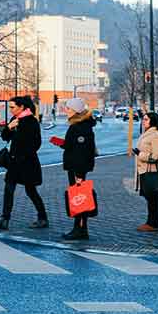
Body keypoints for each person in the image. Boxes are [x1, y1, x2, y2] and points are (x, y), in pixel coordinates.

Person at [0, 95, 48, 230]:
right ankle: (4, 219)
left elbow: (36, 144)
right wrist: (9, 127)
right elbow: (5, 138)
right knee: (9, 189)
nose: (10, 110)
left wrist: (21, 153)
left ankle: (43, 217)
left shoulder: (31, 121)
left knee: (31, 191)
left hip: (27, 163)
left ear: (21, 107)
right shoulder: (14, 120)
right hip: (14, 163)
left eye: (12, 107)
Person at [56, 97, 97, 240]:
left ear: (76, 111)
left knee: (79, 198)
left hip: (77, 168)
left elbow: (82, 151)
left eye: (68, 108)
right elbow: (73, 145)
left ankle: (79, 229)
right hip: (77, 167)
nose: (65, 111)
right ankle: (80, 228)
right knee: (79, 197)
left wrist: (79, 173)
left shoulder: (79, 127)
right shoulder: (82, 125)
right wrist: (63, 144)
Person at [134, 111, 158, 232]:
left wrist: (140, 154)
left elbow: (156, 155)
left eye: (146, 119)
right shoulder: (147, 133)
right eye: (143, 119)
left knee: (152, 198)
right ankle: (150, 222)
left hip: (151, 171)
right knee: (150, 197)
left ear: (153, 121)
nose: (143, 121)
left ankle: (153, 224)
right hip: (144, 170)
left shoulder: (156, 135)